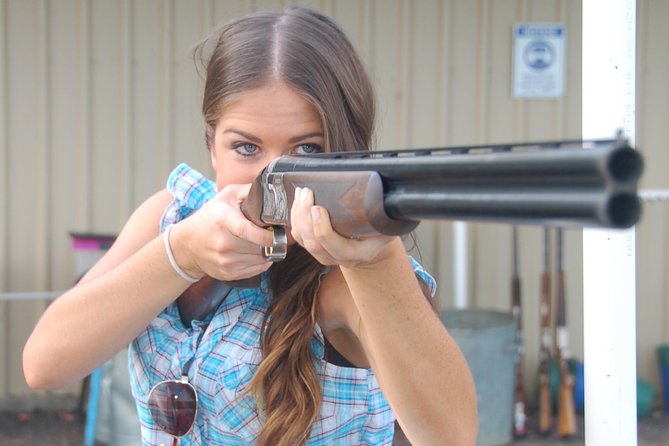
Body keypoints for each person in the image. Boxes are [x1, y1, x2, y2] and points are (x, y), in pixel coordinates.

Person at [23, 6, 477, 446]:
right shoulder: (172, 217)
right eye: (245, 147)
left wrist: (377, 262)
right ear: (211, 145)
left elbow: (451, 437)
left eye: (309, 151)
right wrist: (179, 256)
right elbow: (45, 365)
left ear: (350, 151)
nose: (272, 175)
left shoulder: (351, 272)